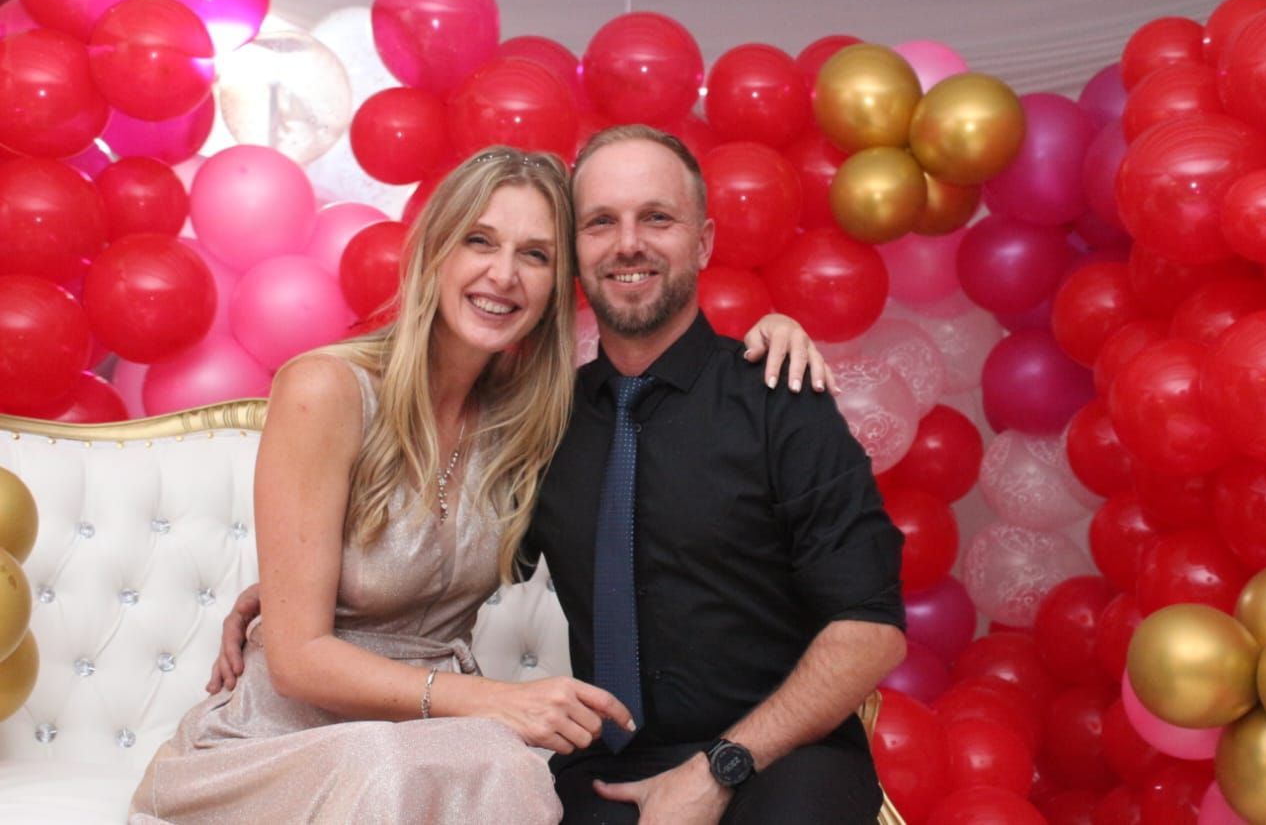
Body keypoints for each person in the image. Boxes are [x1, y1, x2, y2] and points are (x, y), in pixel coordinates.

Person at [135, 145, 828, 824]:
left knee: (509, 767)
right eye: (480, 241)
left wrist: (768, 336)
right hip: (287, 739)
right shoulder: (327, 388)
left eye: (535, 255)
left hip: (433, 737)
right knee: (405, 762)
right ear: (436, 250)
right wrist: (493, 698)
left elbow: (670, 494)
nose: (503, 275)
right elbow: (297, 659)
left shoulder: (534, 421)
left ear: (560, 284)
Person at [525, 125, 907, 825]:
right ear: (576, 250)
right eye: (601, 222)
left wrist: (718, 767)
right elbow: (443, 552)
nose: (628, 243)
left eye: (657, 217)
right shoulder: (542, 422)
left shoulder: (781, 398)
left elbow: (870, 627)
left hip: (781, 755)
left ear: (701, 242)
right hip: (602, 764)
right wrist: (273, 605)